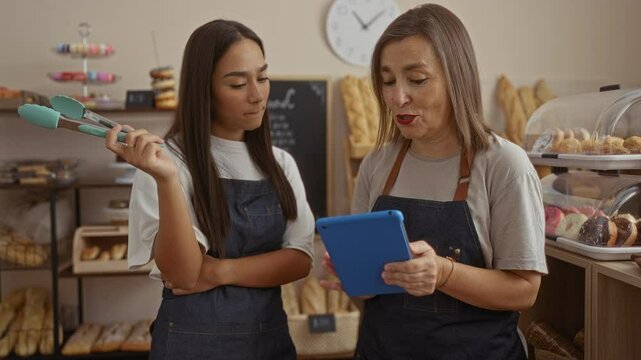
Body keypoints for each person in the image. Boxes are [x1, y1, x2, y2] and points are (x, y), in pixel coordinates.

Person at [322, 4, 547, 359]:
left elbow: (523, 291)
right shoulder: (376, 165)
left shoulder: (504, 164)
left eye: (417, 79)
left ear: (456, 77)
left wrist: (442, 272)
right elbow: (367, 295)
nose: (397, 97)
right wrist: (353, 276)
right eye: (388, 80)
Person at [105, 19, 315, 359]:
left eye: (262, 77)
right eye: (237, 84)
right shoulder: (166, 163)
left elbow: (299, 260)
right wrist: (167, 179)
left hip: (269, 342)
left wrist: (219, 270)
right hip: (190, 344)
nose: (257, 94)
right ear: (203, 89)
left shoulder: (281, 164)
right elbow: (185, 275)